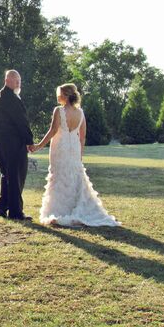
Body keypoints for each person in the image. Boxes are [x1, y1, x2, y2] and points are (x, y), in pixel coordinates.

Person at [31, 84, 120, 227]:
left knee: (59, 176)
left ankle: (59, 211)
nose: (58, 97)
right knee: (74, 176)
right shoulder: (81, 112)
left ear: (65, 96)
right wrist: (80, 155)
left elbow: (53, 131)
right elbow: (82, 136)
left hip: (60, 147)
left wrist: (38, 146)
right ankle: (74, 208)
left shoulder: (58, 110)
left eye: (59, 94)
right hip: (74, 149)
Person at [0, 70, 35, 220]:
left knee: (6, 174)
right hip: (11, 141)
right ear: (7, 80)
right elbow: (21, 122)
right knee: (16, 175)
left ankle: (2, 206)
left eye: (19, 81)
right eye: (16, 81)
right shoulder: (11, 98)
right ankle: (16, 212)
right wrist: (29, 140)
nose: (18, 84)